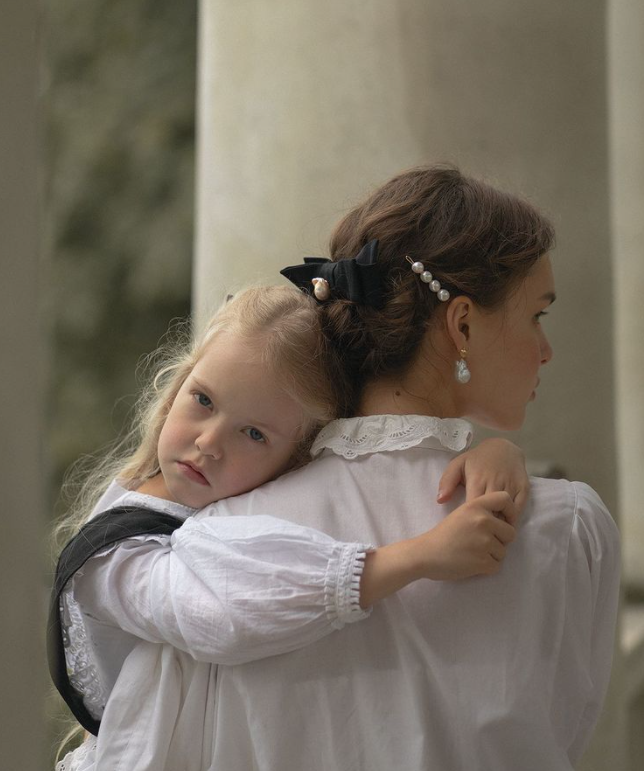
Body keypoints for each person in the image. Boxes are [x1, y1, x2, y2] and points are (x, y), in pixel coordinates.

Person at [74, 164, 616, 771]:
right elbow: (562, 738)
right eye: (537, 314)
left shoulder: (214, 542)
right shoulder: (568, 529)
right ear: (461, 324)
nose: (546, 350)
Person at [52, 281, 528, 770]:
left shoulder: (253, 498)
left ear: (298, 457)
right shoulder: (113, 557)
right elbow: (215, 611)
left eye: (254, 433)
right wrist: (421, 555)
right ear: (179, 385)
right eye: (203, 400)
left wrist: (497, 452)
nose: (210, 443)